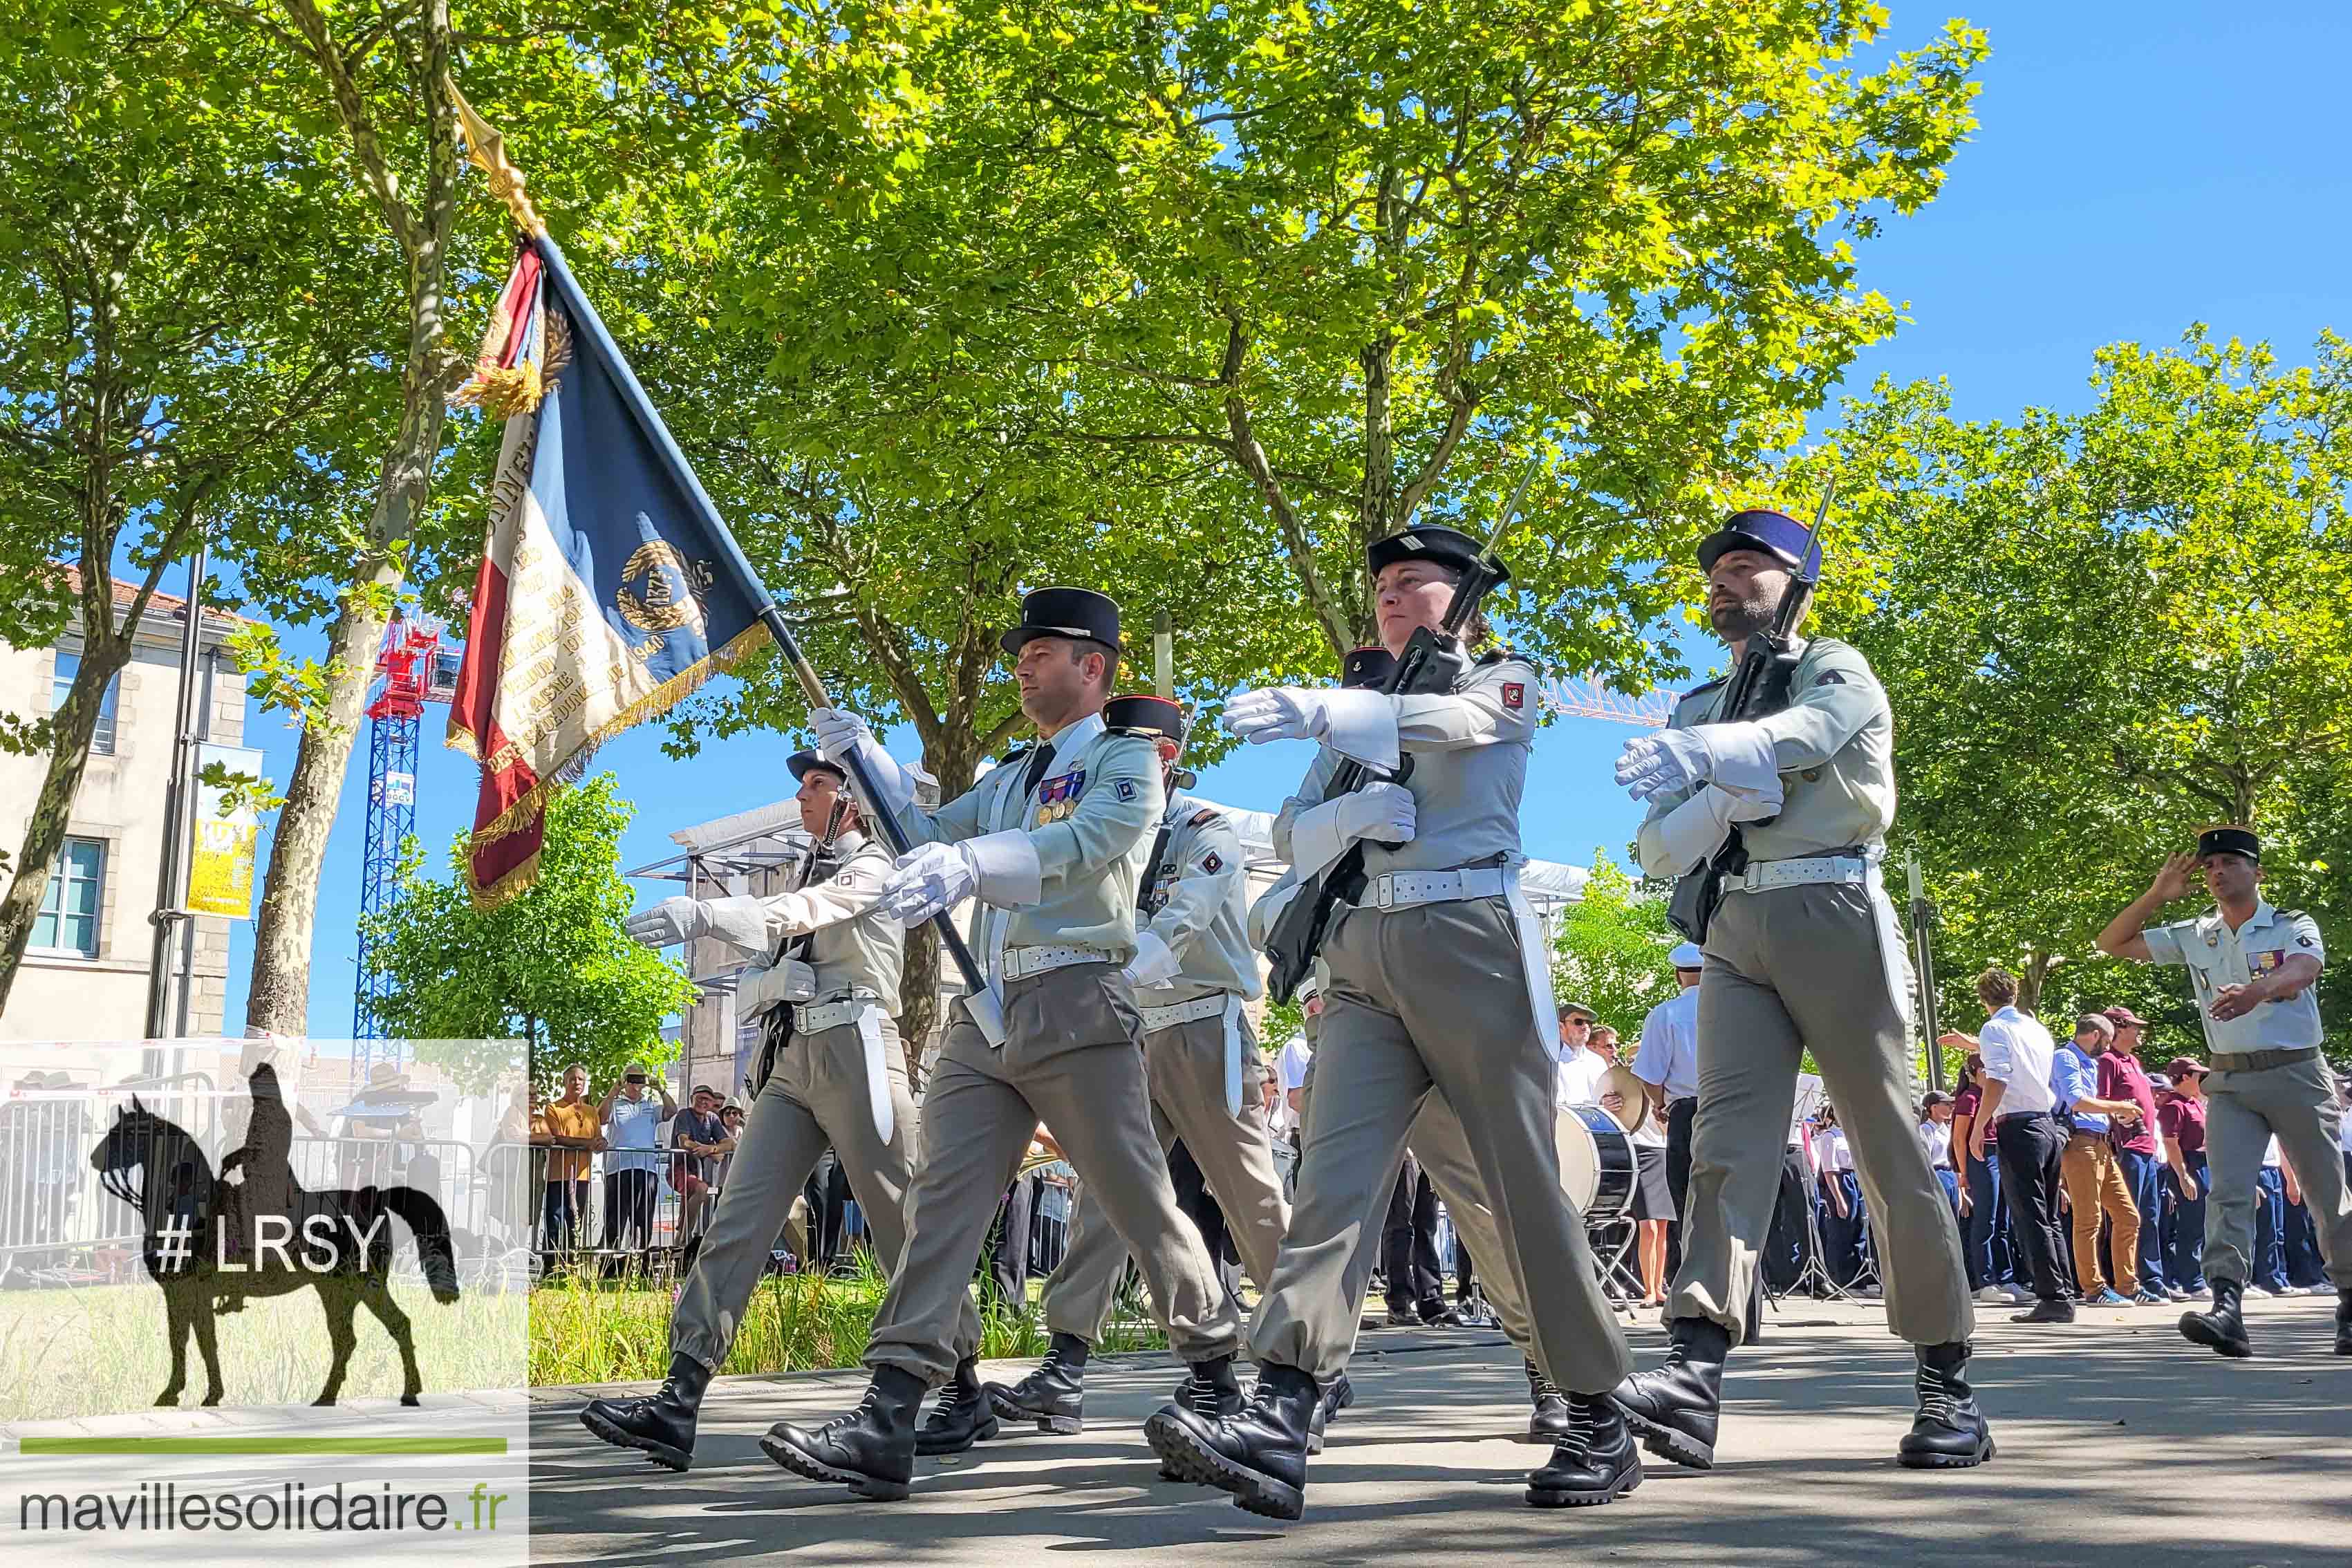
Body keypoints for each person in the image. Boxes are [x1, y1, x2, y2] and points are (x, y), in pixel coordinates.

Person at [1152, 523, 1636, 1520]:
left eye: (1413, 582)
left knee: (1521, 1188)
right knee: (1329, 1187)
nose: (1389, 596)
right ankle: (1284, 1411)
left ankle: (1595, 1410)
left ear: (1464, 600)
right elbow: (1290, 832)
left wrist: (1331, 711)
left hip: (1468, 940)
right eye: (1380, 584)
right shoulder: (1355, 718)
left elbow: (1451, 729)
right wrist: (1340, 809)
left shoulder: (1505, 679)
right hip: (1362, 958)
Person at [760, 586, 1247, 1501]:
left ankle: (1216, 1375)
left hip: (1076, 1001)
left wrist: (973, 864)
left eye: (1039, 655)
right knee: (940, 1203)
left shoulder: (1126, 758)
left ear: (1092, 667)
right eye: (1018, 657)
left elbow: (1098, 841)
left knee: (1137, 1200)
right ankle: (888, 1413)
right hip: (987, 1015)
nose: (1020, 668)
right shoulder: (1012, 778)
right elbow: (929, 835)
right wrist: (869, 769)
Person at [1609, 506, 1985, 1475]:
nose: (1725, 586)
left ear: (1796, 585)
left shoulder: (1834, 664)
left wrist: (1710, 761)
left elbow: (1815, 732)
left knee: (1885, 1146)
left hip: (1830, 907)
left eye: (1748, 569)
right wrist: (1717, 790)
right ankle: (1693, 1375)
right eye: (1718, 573)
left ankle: (1945, 1381)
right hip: (1732, 926)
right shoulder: (1698, 705)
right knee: (1724, 1153)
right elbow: (1653, 848)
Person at [583, 747, 987, 1471]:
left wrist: (709, 912)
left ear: (853, 801)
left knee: (903, 1225)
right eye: (801, 785)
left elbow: (813, 911)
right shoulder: (813, 866)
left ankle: (963, 1386)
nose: (803, 797)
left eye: (817, 786)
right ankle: (679, 1401)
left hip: (858, 1050)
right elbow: (776, 955)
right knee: (737, 1221)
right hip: (794, 1059)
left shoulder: (875, 865)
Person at [985, 692, 1293, 1436]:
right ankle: (1066, 1363)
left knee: (1246, 1191)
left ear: (1172, 757)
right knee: (1107, 1197)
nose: (1132, 761)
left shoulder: (1200, 828)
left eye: (1148, 749)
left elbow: (1191, 907)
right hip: (1128, 1027)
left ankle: (1304, 1358)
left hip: (1198, 1026)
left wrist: (1132, 965)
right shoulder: (1100, 829)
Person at [2096, 828, 2349, 1358]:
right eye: (2210, 866)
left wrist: (2257, 990)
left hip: (2297, 1073)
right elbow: (2112, 942)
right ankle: (2227, 1307)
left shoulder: (2289, 924)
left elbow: (2306, 969)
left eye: (2230, 862)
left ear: (2257, 872)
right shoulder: (2197, 932)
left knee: (2328, 1196)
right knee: (2228, 1193)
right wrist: (2156, 895)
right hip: (2230, 1081)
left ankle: (2349, 1300)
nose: (2217, 873)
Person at [1948, 976, 2071, 1323]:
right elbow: (2019, 1058)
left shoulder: (1993, 1029)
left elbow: (1998, 1077)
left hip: (2017, 1127)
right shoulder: (2035, 1028)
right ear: (2015, 994)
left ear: (1983, 999)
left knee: (2030, 1216)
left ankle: (2053, 1298)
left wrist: (1978, 1126)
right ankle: (2062, 1290)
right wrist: (1971, 1042)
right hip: (2046, 1124)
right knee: (2049, 1217)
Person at [2051, 1014, 2145, 1307]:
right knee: (2089, 1221)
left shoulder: (2090, 1063)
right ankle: (2094, 1290)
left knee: (2129, 1217)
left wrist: (2114, 1114)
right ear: (2093, 1035)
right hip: (2080, 1144)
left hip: (2101, 1145)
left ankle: (2128, 1286)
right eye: (2106, 1040)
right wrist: (2120, 1105)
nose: (2107, 1047)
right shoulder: (2065, 1058)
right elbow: (2076, 1101)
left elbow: (2091, 1105)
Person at [2098, 1007, 2169, 1304]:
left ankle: (2152, 1279)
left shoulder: (2133, 1061)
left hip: (2147, 1150)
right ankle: (2120, 1279)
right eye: (2133, 1026)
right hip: (2126, 1150)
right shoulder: (2107, 1062)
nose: (2140, 1031)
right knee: (2125, 1217)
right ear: (2117, 1028)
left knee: (2150, 1216)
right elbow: (2099, 1102)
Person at [1948, 1056, 2023, 1305]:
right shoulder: (1969, 1098)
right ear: (1976, 1072)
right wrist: (1962, 1172)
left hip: (1999, 1154)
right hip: (1980, 1157)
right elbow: (1959, 1138)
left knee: (2003, 1219)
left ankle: (2007, 1277)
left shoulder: (1993, 1096)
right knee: (1986, 1219)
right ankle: (1985, 1280)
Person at [2156, 1059, 2210, 1298]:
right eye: (2199, 1076)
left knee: (2201, 1224)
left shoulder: (2195, 1103)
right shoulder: (2174, 1106)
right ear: (2185, 1078)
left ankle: (2198, 1275)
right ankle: (2191, 1281)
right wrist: (2183, 1175)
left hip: (2204, 1163)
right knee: (2189, 1224)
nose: (2203, 1082)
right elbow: (2171, 1142)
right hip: (2188, 1164)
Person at [538, 1063, 600, 1257]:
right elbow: (558, 1138)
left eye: (581, 1079)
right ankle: (552, 1266)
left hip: (582, 1176)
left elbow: (597, 1139)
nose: (577, 1082)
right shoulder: (553, 1108)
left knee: (576, 1220)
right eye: (573, 1079)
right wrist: (589, 1143)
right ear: (565, 1082)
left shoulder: (592, 1111)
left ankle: (572, 1265)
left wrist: (600, 1143)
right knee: (555, 1220)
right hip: (558, 1175)